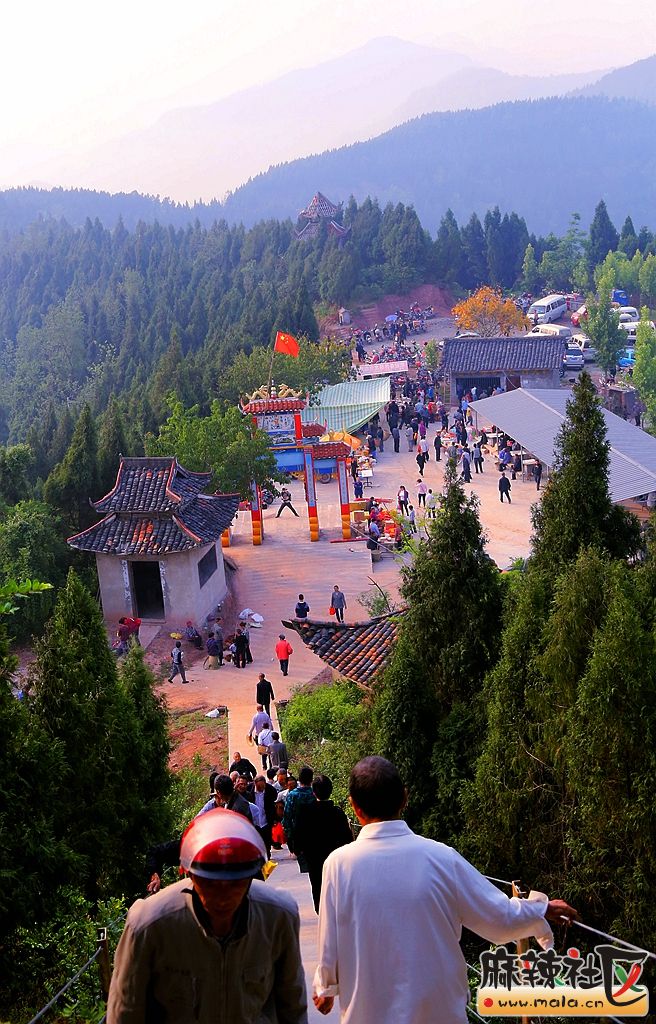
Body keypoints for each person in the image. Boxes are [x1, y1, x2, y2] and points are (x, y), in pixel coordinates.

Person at [312, 756, 578, 1023]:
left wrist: (326, 986)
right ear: (405, 798)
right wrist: (543, 908)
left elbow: (328, 938)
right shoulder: (441, 858)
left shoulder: (338, 864)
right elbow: (498, 915)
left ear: (354, 806)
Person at [107, 809, 307, 1024]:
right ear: (190, 874)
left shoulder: (278, 917)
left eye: (235, 884)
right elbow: (126, 1012)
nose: (222, 898)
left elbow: (292, 1006)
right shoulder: (148, 925)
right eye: (210, 884)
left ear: (251, 877)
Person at [294, 774, 353, 914]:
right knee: (337, 886)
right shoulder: (337, 813)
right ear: (330, 790)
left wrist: (298, 849)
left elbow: (299, 834)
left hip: (313, 857)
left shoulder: (305, 812)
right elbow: (347, 839)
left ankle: (321, 912)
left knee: (317, 884)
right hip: (336, 858)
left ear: (313, 792)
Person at [282, 765, 316, 857]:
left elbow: (287, 816)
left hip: (298, 833)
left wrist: (288, 836)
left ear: (299, 779)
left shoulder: (293, 795)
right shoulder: (315, 793)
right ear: (311, 779)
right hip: (315, 833)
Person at [251, 774, 278, 856]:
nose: (262, 788)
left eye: (263, 786)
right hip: (254, 822)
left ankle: (267, 855)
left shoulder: (270, 790)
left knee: (267, 841)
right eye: (259, 786)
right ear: (255, 784)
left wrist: (274, 818)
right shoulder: (250, 790)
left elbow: (274, 804)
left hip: (266, 821)